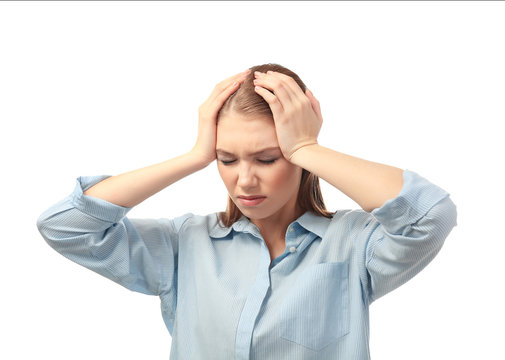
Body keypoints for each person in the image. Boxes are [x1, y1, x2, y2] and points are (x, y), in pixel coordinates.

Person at [37, 63, 457, 359]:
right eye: (228, 159)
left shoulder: (354, 244)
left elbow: (429, 216)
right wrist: (194, 156)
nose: (245, 181)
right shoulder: (184, 245)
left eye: (269, 158)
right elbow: (66, 227)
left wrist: (308, 147)